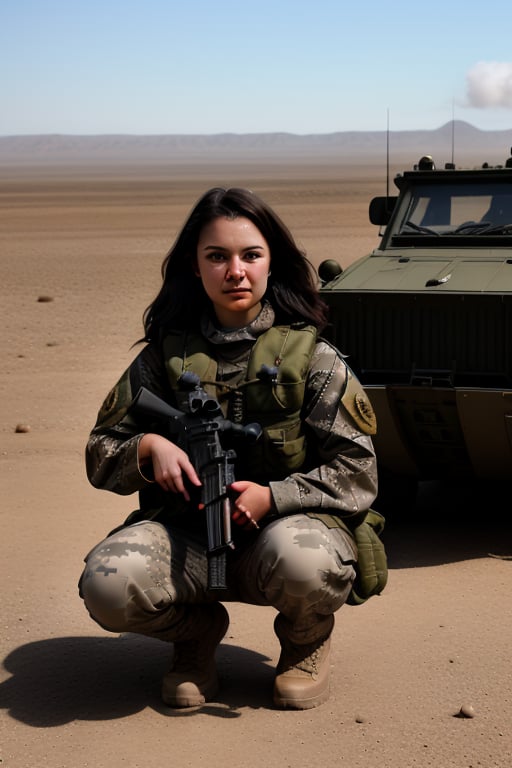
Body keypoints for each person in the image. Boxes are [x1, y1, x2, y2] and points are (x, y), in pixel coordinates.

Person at [79, 187, 378, 710]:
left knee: (305, 563)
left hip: (282, 538)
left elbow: (358, 472)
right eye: (217, 256)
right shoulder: (164, 359)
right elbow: (100, 451)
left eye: (250, 255)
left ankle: (306, 642)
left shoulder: (313, 358)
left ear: (271, 264)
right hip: (188, 537)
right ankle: (193, 636)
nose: (234, 271)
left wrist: (275, 496)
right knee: (108, 583)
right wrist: (149, 448)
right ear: (195, 268)